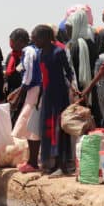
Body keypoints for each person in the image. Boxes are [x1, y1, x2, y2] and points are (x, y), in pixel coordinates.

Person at [32, 24, 74, 176]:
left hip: (59, 95)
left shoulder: (58, 52)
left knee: (58, 130)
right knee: (47, 130)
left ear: (45, 37)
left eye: (35, 38)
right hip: (48, 96)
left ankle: (61, 165)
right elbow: (44, 78)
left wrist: (74, 90)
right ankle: (50, 163)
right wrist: (39, 97)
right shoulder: (41, 53)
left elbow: (68, 72)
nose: (34, 41)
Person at [8, 28, 41, 173]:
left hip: (34, 90)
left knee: (29, 125)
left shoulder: (28, 51)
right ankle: (32, 160)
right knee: (31, 128)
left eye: (13, 42)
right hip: (34, 90)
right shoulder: (32, 50)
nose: (11, 45)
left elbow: (28, 76)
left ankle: (33, 162)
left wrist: (18, 95)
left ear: (20, 41)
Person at [66, 8, 100, 126]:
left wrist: (79, 92)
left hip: (82, 90)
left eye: (69, 28)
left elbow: (77, 71)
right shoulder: (90, 42)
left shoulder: (77, 45)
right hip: (92, 89)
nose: (67, 31)